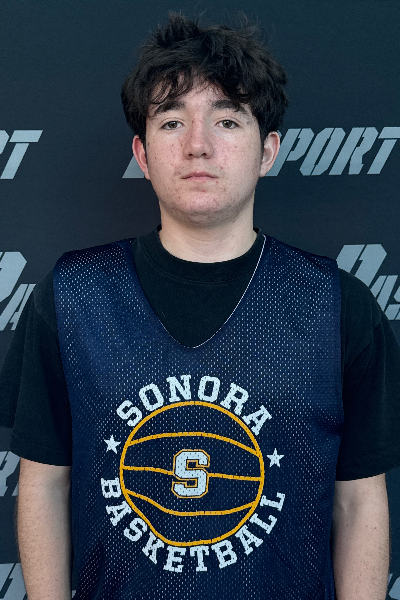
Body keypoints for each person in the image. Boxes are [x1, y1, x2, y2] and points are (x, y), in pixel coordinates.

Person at [1, 11, 400, 600]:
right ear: (142, 153)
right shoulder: (73, 296)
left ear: (268, 151)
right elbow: (44, 484)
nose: (197, 145)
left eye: (227, 120)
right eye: (171, 121)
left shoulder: (336, 304)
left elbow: (360, 499)